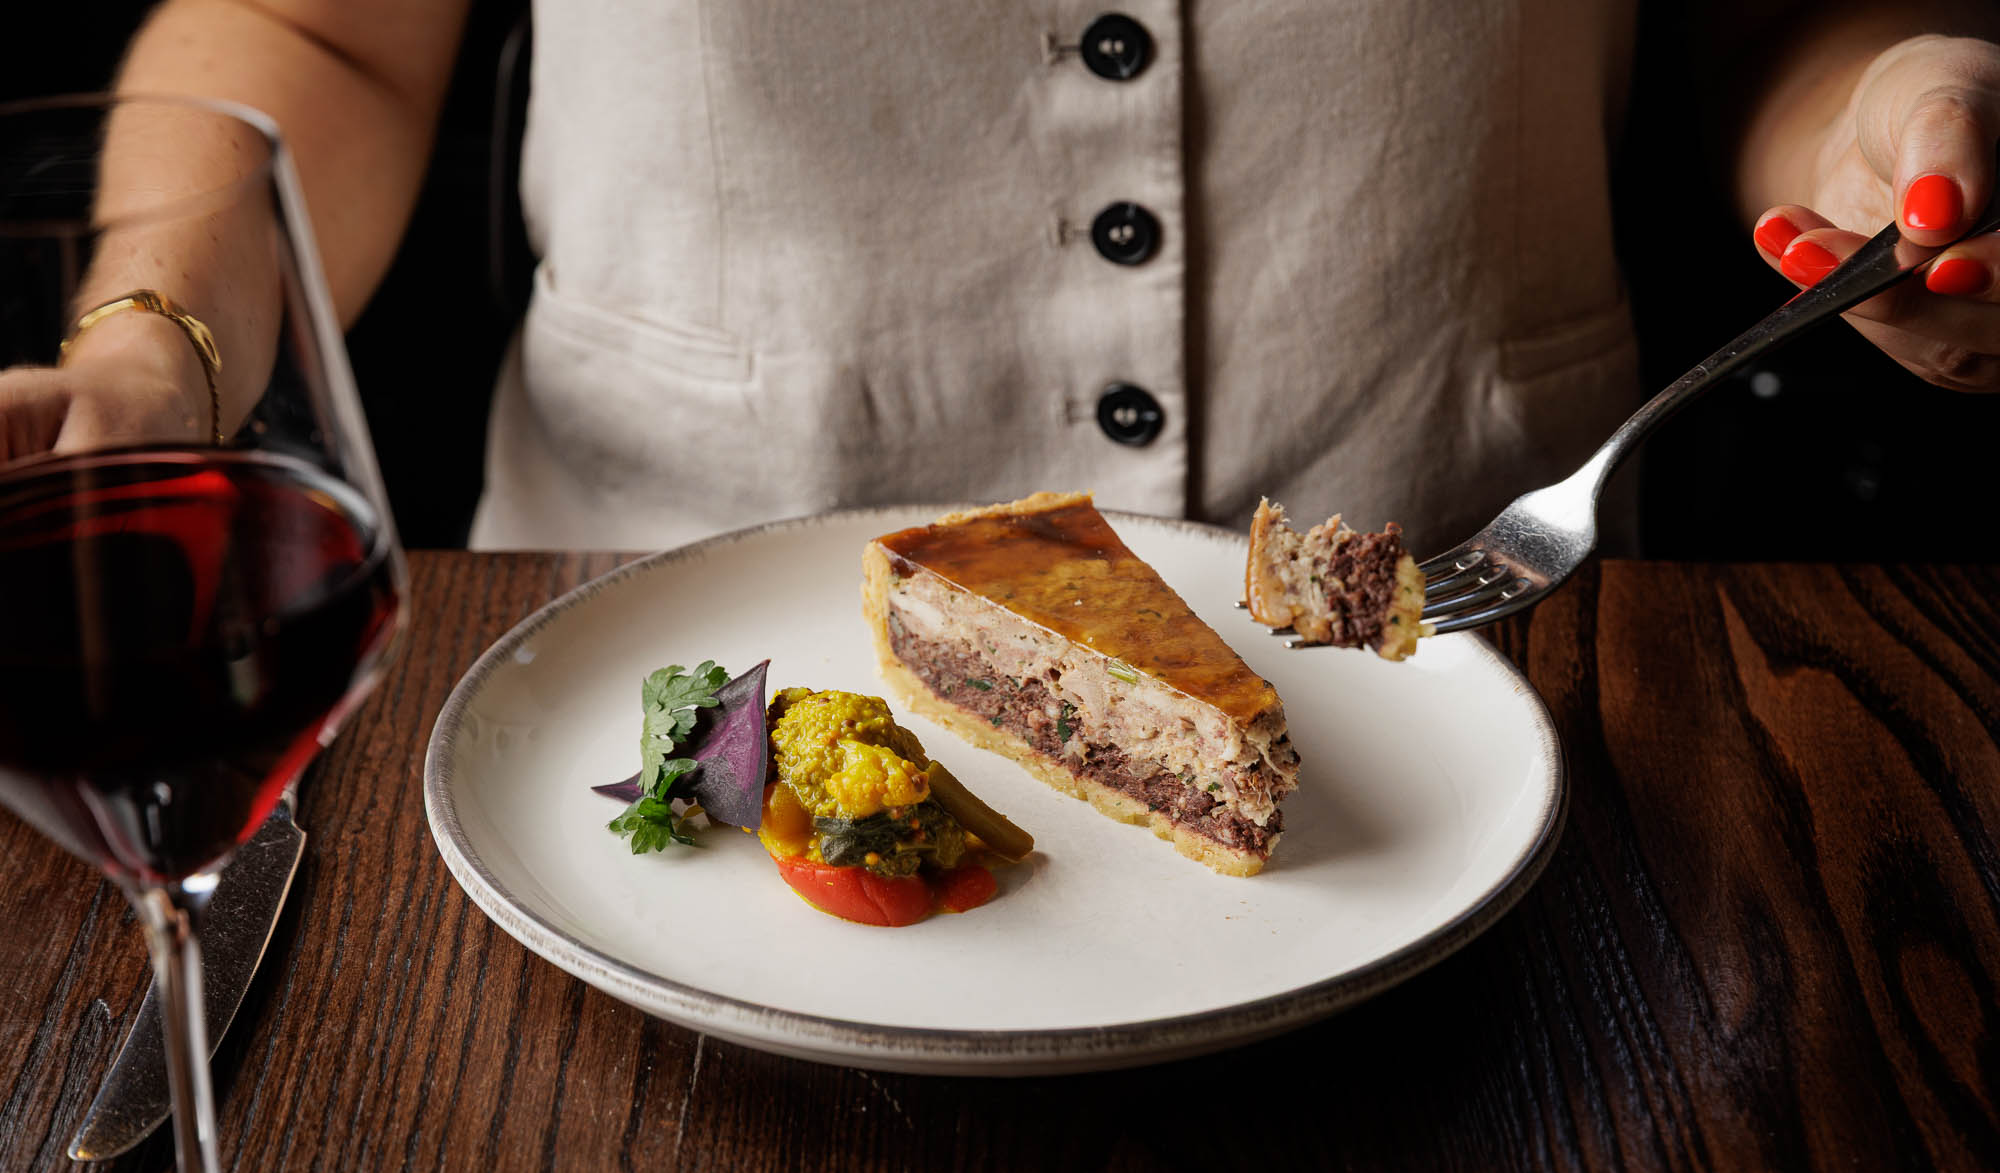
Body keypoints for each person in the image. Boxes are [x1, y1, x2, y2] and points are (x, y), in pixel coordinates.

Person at [4, 1, 1998, 554]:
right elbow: (326, 34)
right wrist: (158, 340)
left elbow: (1764, 22)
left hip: (1468, 664)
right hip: (648, 679)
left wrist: (1881, 132)